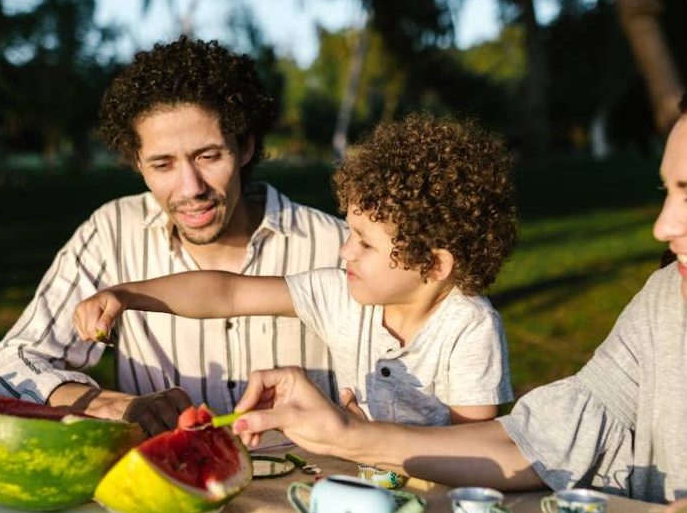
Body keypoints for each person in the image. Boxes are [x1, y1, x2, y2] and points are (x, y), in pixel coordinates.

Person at [229, 58, 687, 513]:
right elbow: (545, 439)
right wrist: (350, 437)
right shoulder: (670, 305)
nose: (665, 225)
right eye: (667, 193)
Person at [0, 38, 348, 433]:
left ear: (244, 147)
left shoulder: (335, 247)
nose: (190, 188)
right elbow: (8, 367)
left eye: (208, 156)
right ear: (138, 163)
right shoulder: (112, 233)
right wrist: (114, 405)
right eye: (163, 164)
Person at [74, 114, 519, 426]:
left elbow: (473, 445)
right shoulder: (341, 295)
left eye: (364, 243)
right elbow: (225, 294)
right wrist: (126, 296)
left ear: (435, 264)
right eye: (349, 232)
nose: (345, 251)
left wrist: (367, 440)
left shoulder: (469, 328)